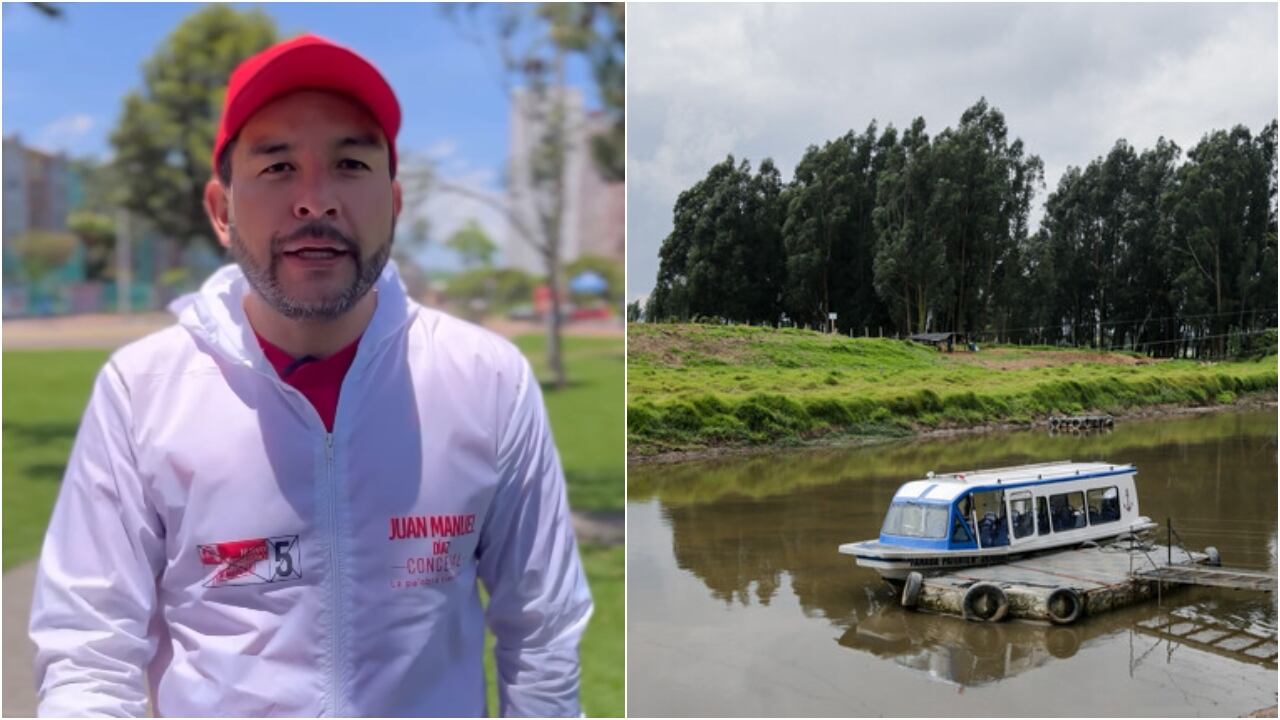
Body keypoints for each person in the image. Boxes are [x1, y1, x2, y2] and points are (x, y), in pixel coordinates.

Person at [29, 34, 592, 717]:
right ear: (220, 209)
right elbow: (91, 650)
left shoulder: (486, 380)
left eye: (350, 163)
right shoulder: (142, 391)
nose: (315, 200)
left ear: (395, 202)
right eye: (277, 167)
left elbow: (541, 626)